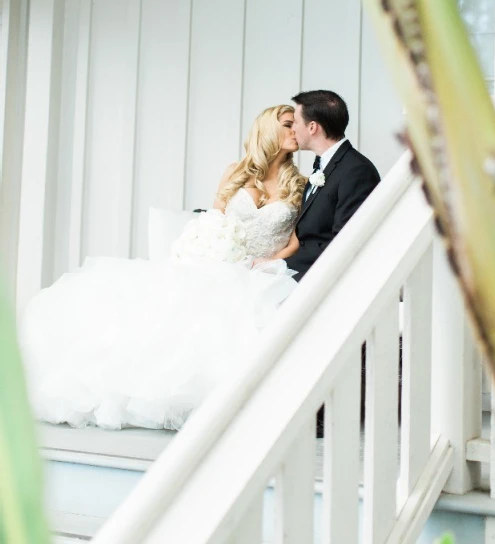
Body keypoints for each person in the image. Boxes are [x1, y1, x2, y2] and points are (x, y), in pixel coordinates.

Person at [20, 105, 306, 432]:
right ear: (268, 130)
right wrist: (206, 249)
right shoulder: (235, 172)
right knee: (162, 305)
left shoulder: (299, 183)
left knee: (237, 314)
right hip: (218, 262)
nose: (295, 131)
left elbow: (295, 239)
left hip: (259, 270)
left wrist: (271, 261)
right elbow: (214, 221)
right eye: (288, 125)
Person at [286, 90, 380, 279]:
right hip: (302, 268)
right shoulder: (323, 166)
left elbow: (343, 243)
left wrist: (282, 268)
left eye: (295, 121)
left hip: (322, 279)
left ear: (312, 127)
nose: (292, 129)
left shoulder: (357, 171)